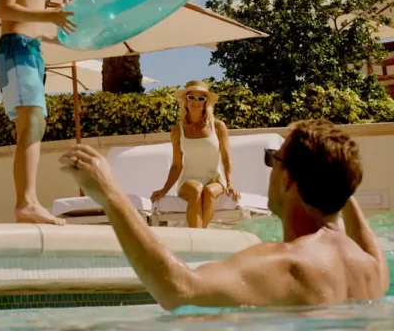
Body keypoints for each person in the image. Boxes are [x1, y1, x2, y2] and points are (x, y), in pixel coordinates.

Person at [60, 119, 389, 310]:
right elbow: (348, 204)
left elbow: (179, 289)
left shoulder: (289, 264)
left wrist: (110, 193)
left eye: (273, 160)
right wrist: (335, 171)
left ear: (288, 179)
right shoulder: (371, 269)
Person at [0, 0, 76, 225]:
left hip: (29, 50)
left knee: (34, 126)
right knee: (31, 126)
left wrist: (57, 28)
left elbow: (35, 25)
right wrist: (48, 14)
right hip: (16, 50)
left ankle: (28, 201)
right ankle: (26, 202)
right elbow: (5, 10)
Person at [151, 80, 238, 227]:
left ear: (206, 103)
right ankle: (199, 237)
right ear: (186, 100)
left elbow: (226, 158)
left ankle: (198, 237)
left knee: (209, 192)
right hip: (188, 181)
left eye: (201, 98)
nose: (196, 102)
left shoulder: (218, 126)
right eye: (191, 97)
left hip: (215, 179)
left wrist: (229, 183)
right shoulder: (177, 131)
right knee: (197, 190)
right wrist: (164, 189)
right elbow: (177, 165)